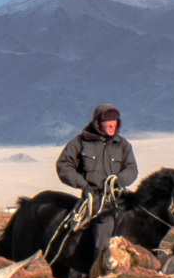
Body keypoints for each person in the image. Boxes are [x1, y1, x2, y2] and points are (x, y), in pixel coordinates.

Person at [55, 103, 138, 253]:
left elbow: (132, 168)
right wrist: (84, 185)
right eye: (108, 120)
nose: (112, 124)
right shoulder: (81, 142)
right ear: (97, 123)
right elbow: (63, 165)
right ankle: (100, 266)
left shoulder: (123, 144)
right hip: (95, 198)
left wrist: (120, 180)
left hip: (118, 195)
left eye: (115, 120)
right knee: (104, 225)